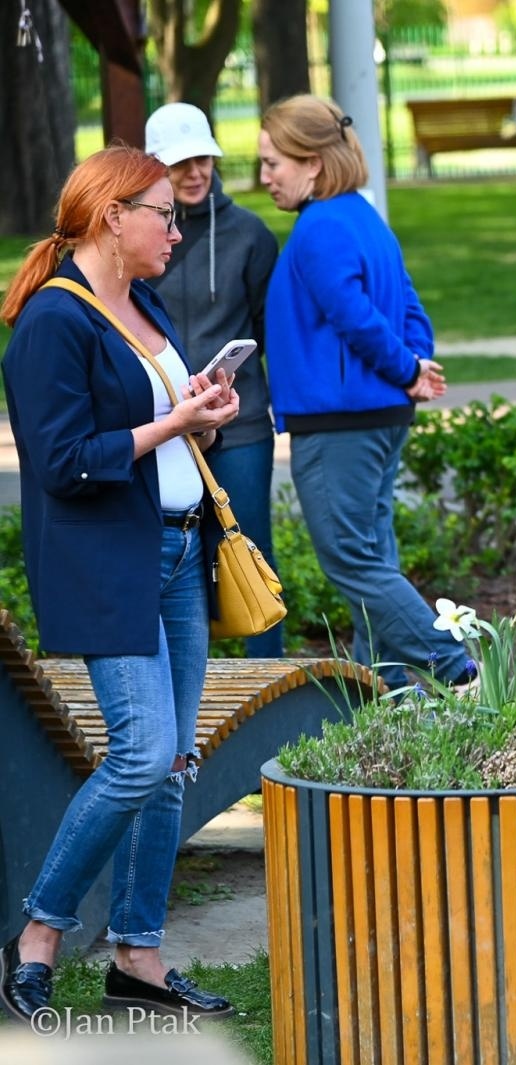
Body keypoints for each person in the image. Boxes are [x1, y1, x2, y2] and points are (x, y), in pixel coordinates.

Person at [0, 146, 241, 1021]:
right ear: (112, 216)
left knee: (171, 765)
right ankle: (38, 936)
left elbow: (165, 439)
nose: (177, 231)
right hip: (106, 562)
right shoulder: (51, 322)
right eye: (162, 214)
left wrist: (201, 420)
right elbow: (63, 464)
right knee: (141, 753)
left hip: (178, 553)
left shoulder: (141, 302)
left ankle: (138, 954)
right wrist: (172, 419)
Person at [258, 95, 468, 690]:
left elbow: (353, 316)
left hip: (339, 424)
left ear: (313, 164)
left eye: (274, 162)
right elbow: (407, 303)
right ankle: (389, 694)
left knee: (352, 562)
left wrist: (407, 368)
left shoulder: (320, 227)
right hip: (377, 416)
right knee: (373, 561)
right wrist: (416, 362)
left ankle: (464, 669)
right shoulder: (363, 217)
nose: (265, 177)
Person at [144, 102, 285, 657]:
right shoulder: (139, 237)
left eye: (202, 158)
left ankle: (267, 681)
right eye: (180, 164)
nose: (195, 172)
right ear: (156, 167)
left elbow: (266, 330)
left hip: (240, 424)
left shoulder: (250, 235)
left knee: (250, 554)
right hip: (160, 423)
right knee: (175, 562)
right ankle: (189, 685)